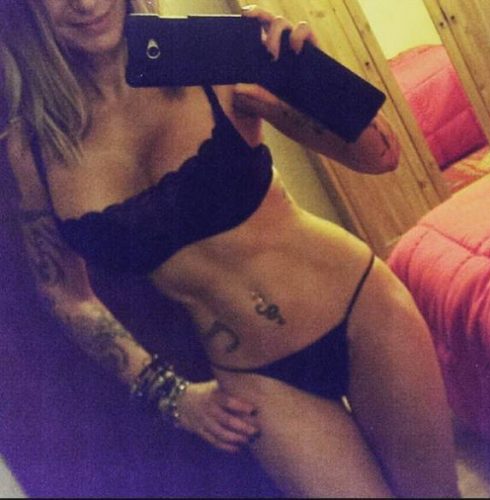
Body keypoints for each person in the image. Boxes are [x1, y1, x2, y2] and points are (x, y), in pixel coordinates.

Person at [0, 0, 459, 497]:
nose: (86, 3)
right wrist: (166, 391)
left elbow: (381, 155)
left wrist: (301, 72)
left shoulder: (209, 49)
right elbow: (66, 293)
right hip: (260, 382)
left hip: (360, 312)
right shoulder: (33, 148)